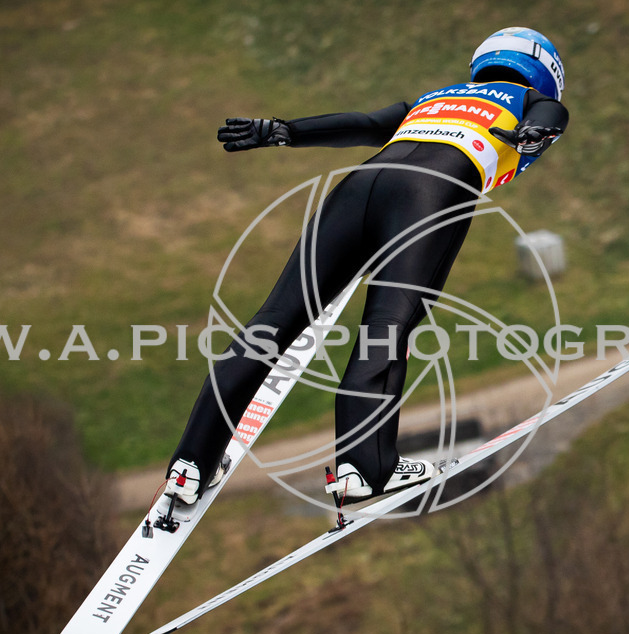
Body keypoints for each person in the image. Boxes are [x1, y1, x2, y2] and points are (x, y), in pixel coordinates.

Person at [163, 27, 569, 504]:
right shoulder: (525, 99)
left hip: (356, 191)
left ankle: (191, 464)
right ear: (543, 74)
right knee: (387, 326)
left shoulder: (436, 98)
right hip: (428, 193)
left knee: (272, 321)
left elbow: (361, 123)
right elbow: (550, 113)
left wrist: (284, 131)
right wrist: (534, 133)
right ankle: (364, 465)